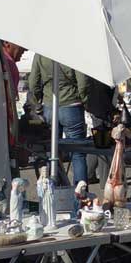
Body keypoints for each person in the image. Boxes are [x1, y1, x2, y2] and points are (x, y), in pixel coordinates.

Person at [28, 55, 89, 186]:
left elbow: (33, 82)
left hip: (49, 105)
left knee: (52, 152)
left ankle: (53, 192)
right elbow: (83, 82)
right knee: (78, 153)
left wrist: (38, 101)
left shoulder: (41, 52)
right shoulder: (72, 50)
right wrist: (84, 100)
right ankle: (82, 196)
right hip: (72, 104)